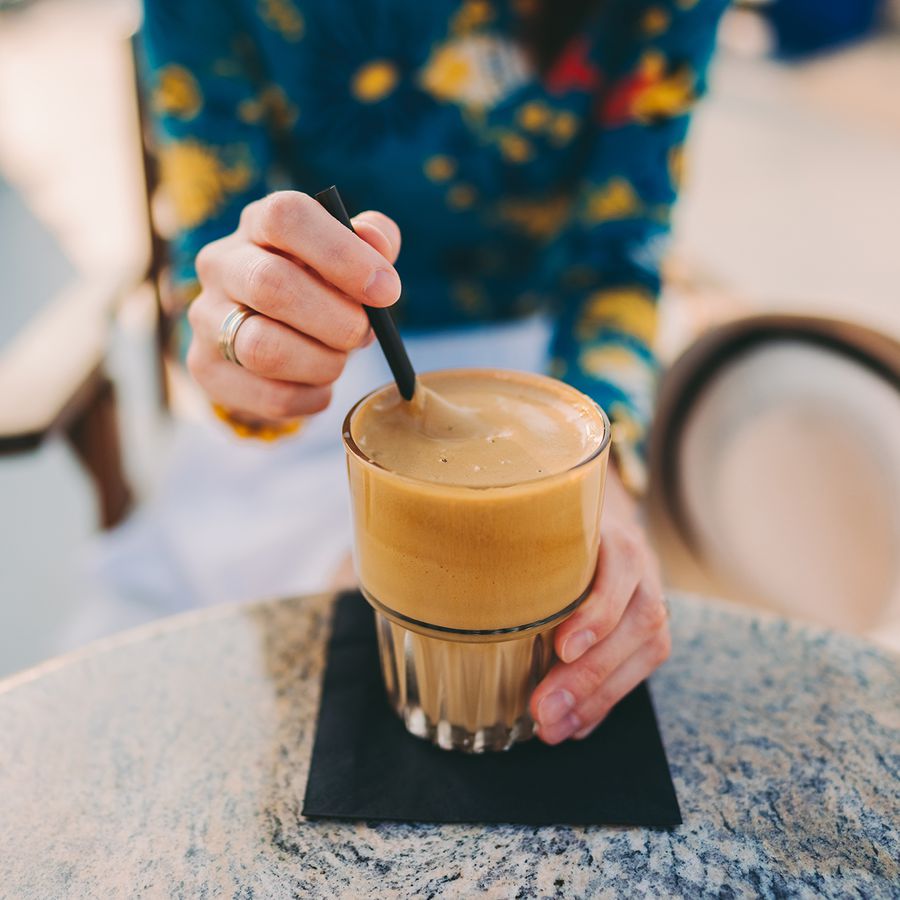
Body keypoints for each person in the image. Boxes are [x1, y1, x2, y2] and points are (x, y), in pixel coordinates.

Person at [141, 0, 727, 745]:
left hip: (548, 378)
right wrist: (246, 351)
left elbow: (621, 254)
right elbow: (213, 263)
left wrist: (606, 484)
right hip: (329, 386)